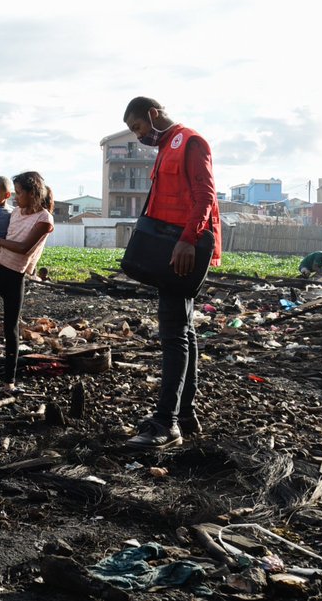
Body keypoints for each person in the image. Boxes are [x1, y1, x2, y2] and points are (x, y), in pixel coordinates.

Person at [121, 97, 220, 450]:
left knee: (173, 334)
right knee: (185, 331)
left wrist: (187, 240)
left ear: (153, 114)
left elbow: (204, 194)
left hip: (181, 249)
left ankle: (166, 423)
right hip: (174, 246)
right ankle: (185, 414)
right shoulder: (166, 148)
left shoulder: (189, 141)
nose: (139, 136)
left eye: (138, 127)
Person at [0, 171, 55, 395]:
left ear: (32, 193)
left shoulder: (44, 219)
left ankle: (9, 382)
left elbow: (25, 247)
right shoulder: (15, 212)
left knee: (11, 329)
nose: (16, 198)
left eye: (19, 193)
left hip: (15, 275)